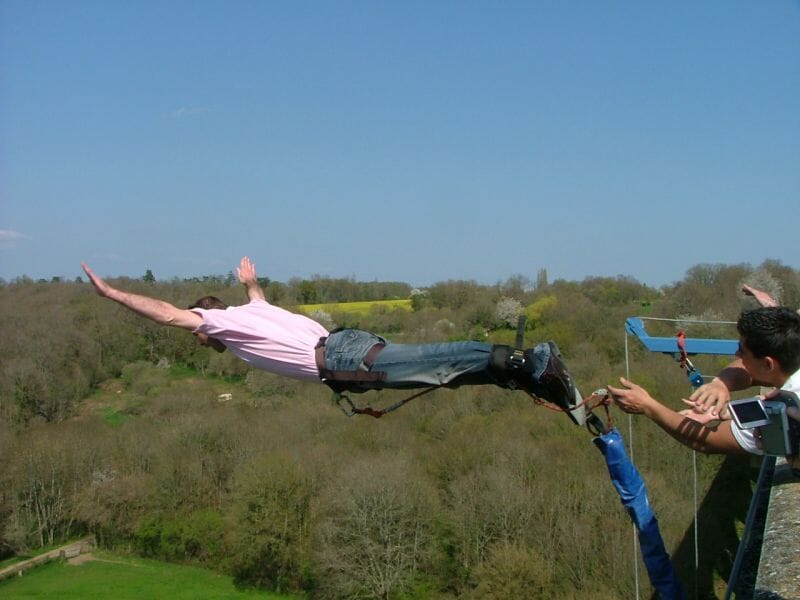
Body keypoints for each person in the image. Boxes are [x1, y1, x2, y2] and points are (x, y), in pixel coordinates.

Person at [81, 257, 584, 421]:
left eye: (198, 331)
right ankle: (522, 375)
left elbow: (168, 314)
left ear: (205, 319)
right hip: (343, 351)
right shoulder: (251, 311)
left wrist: (114, 294)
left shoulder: (224, 325)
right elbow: (257, 294)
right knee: (439, 373)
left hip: (341, 357)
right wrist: (250, 282)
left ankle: (531, 361)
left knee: (436, 358)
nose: (199, 339)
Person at [608, 306, 800, 454]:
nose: (736, 354)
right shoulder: (788, 375)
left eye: (742, 351)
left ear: (768, 364)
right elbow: (747, 371)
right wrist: (721, 386)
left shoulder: (786, 410)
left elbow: (706, 440)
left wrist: (649, 407)